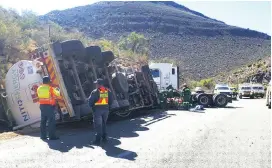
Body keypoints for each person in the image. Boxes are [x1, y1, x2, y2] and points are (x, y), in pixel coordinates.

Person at [88, 78, 113, 145]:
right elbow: (111, 100)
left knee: (98, 125)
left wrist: (92, 107)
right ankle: (104, 138)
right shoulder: (108, 91)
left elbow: (90, 102)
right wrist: (108, 106)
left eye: (96, 83)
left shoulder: (95, 92)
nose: (95, 85)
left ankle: (97, 140)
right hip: (106, 110)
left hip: (97, 110)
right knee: (104, 124)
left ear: (98, 84)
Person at [37, 76, 61, 140]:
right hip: (48, 106)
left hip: (42, 106)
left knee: (43, 121)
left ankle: (43, 136)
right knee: (51, 121)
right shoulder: (50, 88)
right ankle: (52, 136)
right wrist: (57, 89)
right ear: (48, 82)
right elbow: (58, 94)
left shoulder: (39, 88)